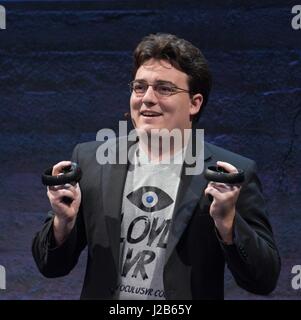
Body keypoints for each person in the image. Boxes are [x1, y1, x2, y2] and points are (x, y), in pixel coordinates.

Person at [32, 33, 281, 300]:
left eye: (164, 89)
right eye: (139, 87)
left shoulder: (230, 173)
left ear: (195, 103)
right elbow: (50, 266)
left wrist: (228, 223)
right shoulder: (92, 159)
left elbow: (264, 279)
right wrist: (63, 222)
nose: (147, 98)